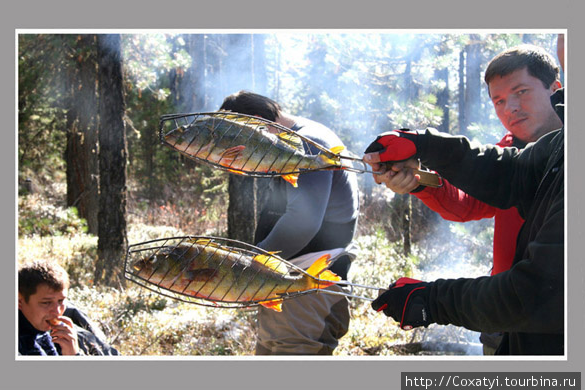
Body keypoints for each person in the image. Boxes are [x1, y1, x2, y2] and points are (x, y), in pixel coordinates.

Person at [373, 44, 563, 354]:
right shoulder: (505, 152)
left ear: (554, 88)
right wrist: (419, 180)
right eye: (498, 101)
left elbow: (540, 291)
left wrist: (434, 301)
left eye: (521, 92)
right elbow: (465, 201)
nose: (509, 108)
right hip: (501, 315)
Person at [219, 91, 360, 355]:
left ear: (258, 121)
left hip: (307, 290)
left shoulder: (307, 143)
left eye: (238, 136)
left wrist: (251, 265)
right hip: (288, 283)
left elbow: (302, 221)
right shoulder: (288, 142)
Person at [18, 260, 119, 356]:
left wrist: (73, 354)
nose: (57, 311)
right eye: (46, 303)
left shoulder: (66, 332)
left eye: (61, 301)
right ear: (19, 301)